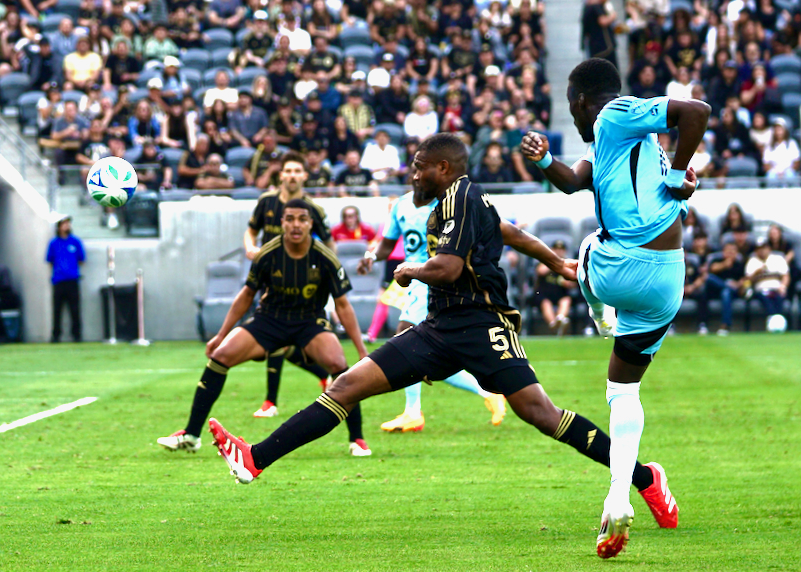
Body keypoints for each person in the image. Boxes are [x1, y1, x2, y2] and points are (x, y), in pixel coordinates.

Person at [207, 136, 627, 544]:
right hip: (440, 328)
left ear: (442, 168)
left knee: (541, 413)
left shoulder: (461, 198)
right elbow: (507, 232)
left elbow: (447, 268)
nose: (413, 176)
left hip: (483, 326)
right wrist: (555, 261)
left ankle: (643, 477)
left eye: (419, 168)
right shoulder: (455, 202)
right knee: (346, 385)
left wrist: (411, 269)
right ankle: (254, 458)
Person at [520, 57, 709, 557]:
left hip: (622, 267)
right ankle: (619, 495)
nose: (573, 118)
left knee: (584, 249)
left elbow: (697, 111)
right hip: (667, 280)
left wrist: (678, 173)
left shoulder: (615, 114)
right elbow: (572, 181)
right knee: (623, 389)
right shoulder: (631, 143)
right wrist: (543, 160)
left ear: (581, 101)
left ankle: (600, 313)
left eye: (570, 108)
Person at [358, 178, 573, 432]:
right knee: (435, 350)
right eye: (416, 168)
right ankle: (490, 388)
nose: (419, 175)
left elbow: (499, 230)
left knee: (408, 338)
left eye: (423, 168)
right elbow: (386, 244)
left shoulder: (449, 204)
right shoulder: (401, 206)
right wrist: (371, 256)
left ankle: (414, 412)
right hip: (414, 278)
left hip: (438, 277)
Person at [159, 200, 370, 456]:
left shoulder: (325, 258)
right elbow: (247, 294)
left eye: (302, 219)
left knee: (339, 365)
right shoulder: (267, 254)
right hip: (270, 319)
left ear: (310, 224)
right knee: (220, 356)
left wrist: (361, 350)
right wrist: (221, 335)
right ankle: (192, 434)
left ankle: (357, 439)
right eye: (290, 219)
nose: (295, 225)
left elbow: (343, 305)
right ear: (282, 223)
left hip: (309, 322)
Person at [242, 153, 336, 417]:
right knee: (277, 340)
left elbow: (329, 245)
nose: (292, 175)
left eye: (297, 171)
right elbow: (251, 230)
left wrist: (329, 277)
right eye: (288, 171)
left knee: (282, 338)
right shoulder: (266, 202)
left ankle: (271, 402)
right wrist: (250, 247)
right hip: (269, 279)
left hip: (302, 283)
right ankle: (321, 376)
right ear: (281, 174)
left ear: (305, 175)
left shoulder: (314, 209)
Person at [46, 215, 85, 343]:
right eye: (64, 224)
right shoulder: (53, 243)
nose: (67, 226)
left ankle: (76, 335)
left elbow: (81, 259)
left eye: (68, 224)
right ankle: (56, 335)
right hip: (58, 281)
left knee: (75, 309)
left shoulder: (75, 241)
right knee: (57, 310)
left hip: (72, 280)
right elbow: (50, 260)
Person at [535, 239, 578, 334]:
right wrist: (554, 262)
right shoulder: (546, 261)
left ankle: (560, 320)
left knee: (566, 300)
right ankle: (553, 325)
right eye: (556, 249)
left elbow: (574, 283)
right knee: (546, 303)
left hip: (561, 293)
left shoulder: (567, 264)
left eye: (561, 250)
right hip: (545, 293)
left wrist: (568, 283)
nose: (559, 252)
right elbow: (540, 271)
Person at [743, 239, 789, 327]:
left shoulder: (778, 259)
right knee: (766, 300)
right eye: (759, 249)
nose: (762, 251)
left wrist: (783, 286)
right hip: (761, 290)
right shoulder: (752, 261)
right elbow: (747, 281)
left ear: (769, 249)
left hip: (776, 289)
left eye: (764, 248)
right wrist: (756, 273)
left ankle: (779, 322)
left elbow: (785, 276)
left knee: (779, 298)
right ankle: (772, 322)